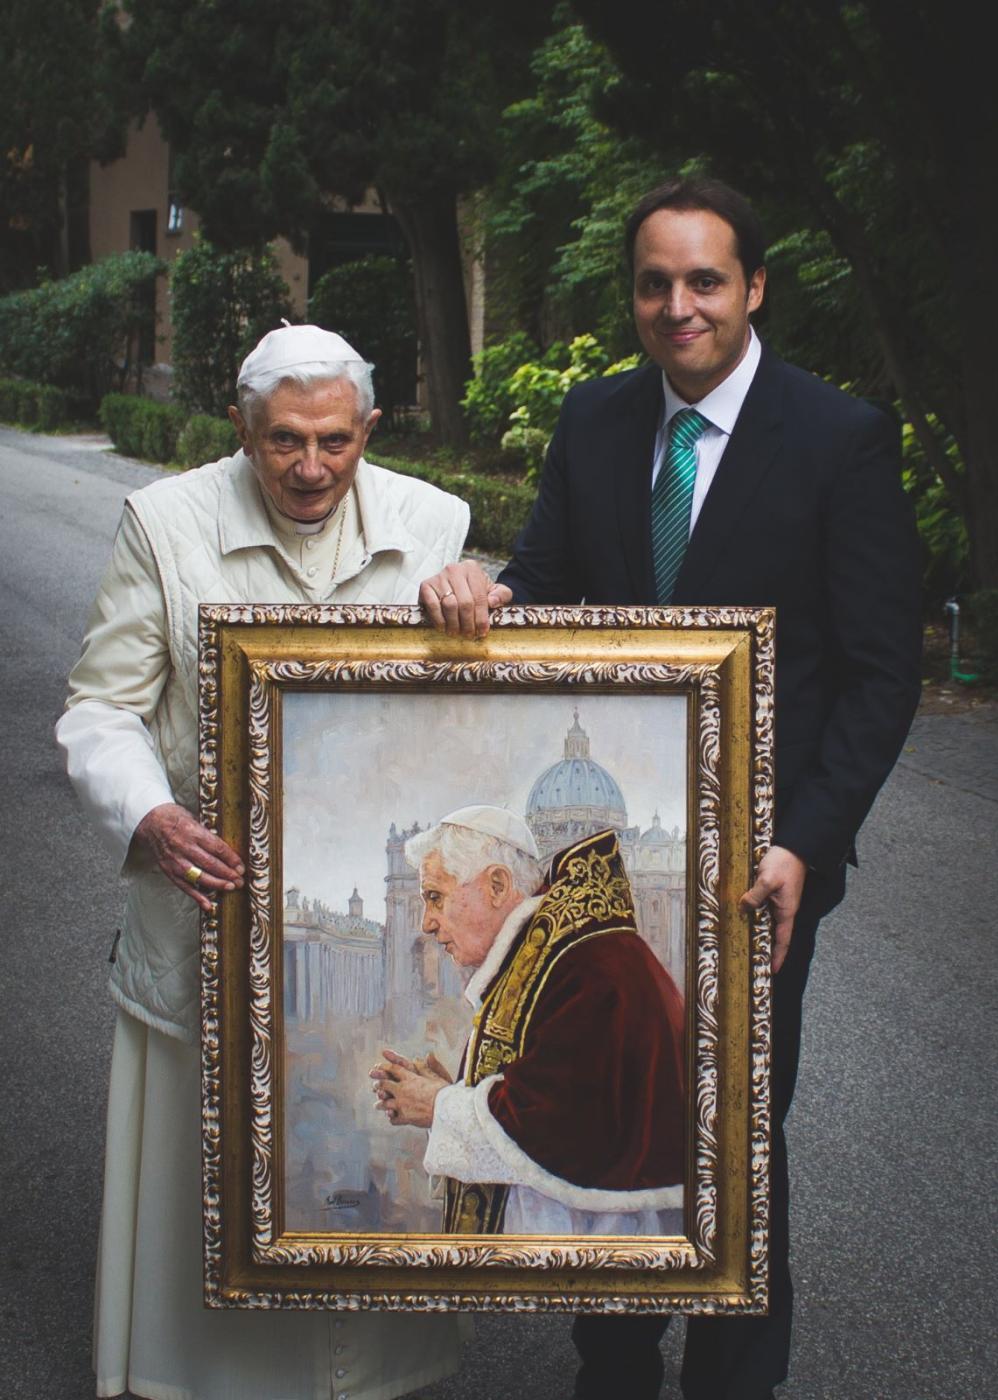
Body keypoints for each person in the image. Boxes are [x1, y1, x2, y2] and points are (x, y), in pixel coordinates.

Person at [419, 177, 923, 1399]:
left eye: (704, 280)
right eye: (654, 282)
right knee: (610, 1110)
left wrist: (807, 839)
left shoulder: (836, 435)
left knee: (735, 1131)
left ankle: (732, 1382)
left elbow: (876, 673)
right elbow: (539, 585)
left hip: (760, 874)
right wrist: (479, 586)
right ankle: (613, 1366)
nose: (677, 304)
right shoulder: (593, 423)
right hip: (607, 879)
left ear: (752, 287)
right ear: (634, 295)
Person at [56, 324, 471, 1400]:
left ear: (367, 431)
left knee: (356, 1141)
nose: (308, 467)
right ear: (242, 429)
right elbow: (102, 706)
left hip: (355, 893)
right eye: (282, 440)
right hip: (205, 901)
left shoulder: (435, 522)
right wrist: (147, 812)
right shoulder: (165, 519)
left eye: (335, 441)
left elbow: (463, 712)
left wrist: (474, 609)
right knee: (208, 1178)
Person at [371, 807, 685, 1237]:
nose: (426, 923)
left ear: (498, 885)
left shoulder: (587, 966)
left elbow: (552, 1127)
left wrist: (439, 1107)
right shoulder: (550, 954)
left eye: (436, 897)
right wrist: (451, 1095)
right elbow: (534, 1093)